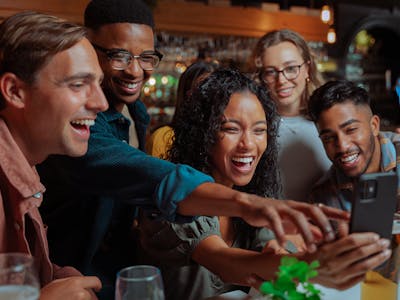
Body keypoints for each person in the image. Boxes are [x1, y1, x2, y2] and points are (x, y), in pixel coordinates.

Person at [36, 0, 347, 298]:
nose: (135, 70)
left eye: (146, 57)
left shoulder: (136, 114)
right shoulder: (80, 126)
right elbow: (146, 177)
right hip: (70, 275)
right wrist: (247, 205)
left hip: (118, 273)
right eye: (120, 55)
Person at [138, 69, 391, 300]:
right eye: (231, 128)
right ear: (203, 134)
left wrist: (282, 252)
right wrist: (312, 266)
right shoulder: (175, 196)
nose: (248, 144)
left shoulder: (254, 193)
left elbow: (272, 252)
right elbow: (224, 262)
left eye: (259, 130)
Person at [0, 11, 109, 299]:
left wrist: (64, 279)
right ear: (15, 91)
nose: (102, 103)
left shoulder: (25, 164)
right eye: (77, 84)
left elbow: (15, 275)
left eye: (98, 83)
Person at [308, 79, 399, 285]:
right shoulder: (322, 195)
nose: (342, 146)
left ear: (374, 125)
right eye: (329, 138)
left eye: (351, 130)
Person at [250, 29, 332, 201]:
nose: (282, 80)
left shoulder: (329, 118)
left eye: (291, 68)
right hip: (272, 226)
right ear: (261, 76)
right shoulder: (253, 128)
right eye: (271, 72)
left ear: (307, 69)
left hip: (327, 225)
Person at [146, 60, 218, 158]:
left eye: (216, 89)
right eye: (203, 89)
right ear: (187, 95)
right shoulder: (164, 138)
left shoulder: (223, 138)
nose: (211, 96)